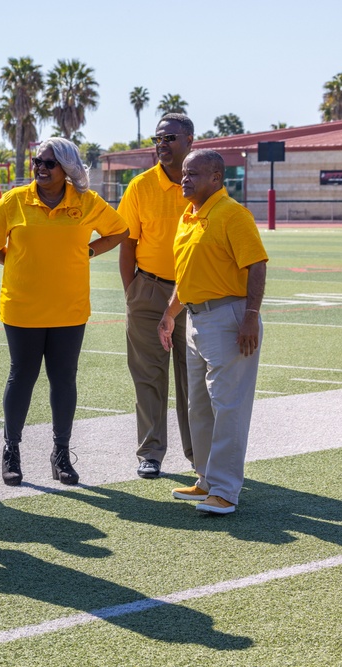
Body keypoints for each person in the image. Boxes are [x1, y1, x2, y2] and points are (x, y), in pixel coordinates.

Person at [0, 138, 128, 487]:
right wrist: (20, 262)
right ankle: (11, 451)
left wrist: (89, 252)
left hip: (70, 308)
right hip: (22, 308)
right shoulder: (13, 201)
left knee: (64, 379)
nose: (41, 167)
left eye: (49, 163)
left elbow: (120, 231)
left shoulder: (87, 202)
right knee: (21, 377)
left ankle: (61, 453)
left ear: (66, 168)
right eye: (37, 160)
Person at [159, 149, 268, 515]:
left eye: (193, 174)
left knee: (229, 407)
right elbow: (188, 274)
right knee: (199, 406)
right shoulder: (188, 217)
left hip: (228, 317)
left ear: (216, 178)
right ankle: (205, 479)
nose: (184, 179)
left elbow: (256, 265)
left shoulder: (232, 214)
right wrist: (169, 314)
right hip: (195, 318)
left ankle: (225, 490)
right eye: (184, 174)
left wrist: (251, 315)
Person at [119, 114, 195, 479]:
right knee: (148, 375)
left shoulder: (202, 182)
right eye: (158, 138)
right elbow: (127, 244)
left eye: (170, 138)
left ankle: (198, 454)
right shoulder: (140, 186)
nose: (162, 144)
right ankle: (150, 452)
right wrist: (132, 292)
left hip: (195, 292)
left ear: (190, 140)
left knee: (192, 376)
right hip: (149, 290)